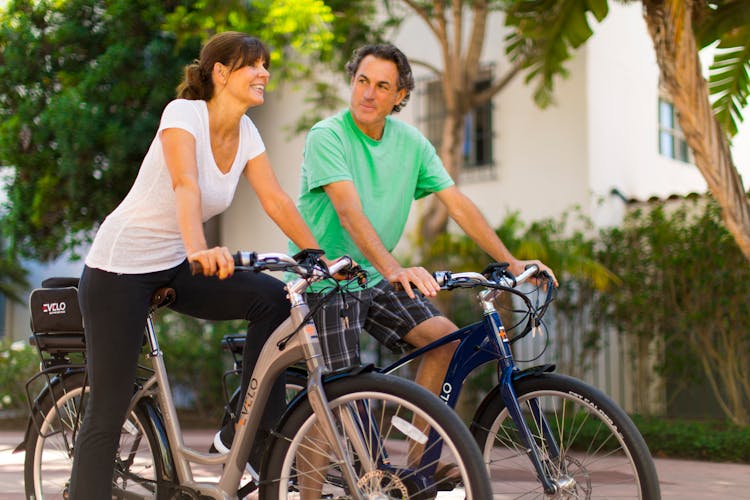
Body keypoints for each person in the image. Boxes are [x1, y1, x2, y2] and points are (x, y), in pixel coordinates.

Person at [69, 32, 334, 498]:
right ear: (221, 72)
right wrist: (198, 247)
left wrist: (317, 257)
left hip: (174, 262)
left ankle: (249, 438)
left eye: (265, 65)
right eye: (253, 65)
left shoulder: (247, 132)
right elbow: (185, 184)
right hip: (120, 269)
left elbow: (274, 198)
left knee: (272, 299)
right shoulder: (183, 115)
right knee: (108, 409)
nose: (264, 73)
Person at [290, 43, 558, 406]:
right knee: (341, 402)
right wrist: (395, 269)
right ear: (352, 81)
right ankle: (321, 463)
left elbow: (457, 205)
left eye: (382, 86)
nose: (368, 94)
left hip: (371, 274)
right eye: (362, 81)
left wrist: (512, 263)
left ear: (400, 95)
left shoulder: (411, 143)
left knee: (444, 341)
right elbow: (348, 212)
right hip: (326, 282)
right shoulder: (329, 135)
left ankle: (419, 462)